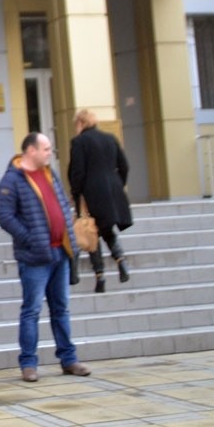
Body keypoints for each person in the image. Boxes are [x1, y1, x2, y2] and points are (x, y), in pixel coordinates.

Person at [0, 132, 90, 383]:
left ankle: (69, 359)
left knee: (61, 309)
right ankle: (28, 364)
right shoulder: (12, 179)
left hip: (60, 252)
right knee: (32, 310)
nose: (50, 152)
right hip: (34, 257)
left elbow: (61, 206)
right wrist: (30, 238)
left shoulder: (50, 174)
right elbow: (5, 216)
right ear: (31, 150)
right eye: (46, 148)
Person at [67, 108, 133, 293]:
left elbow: (77, 172)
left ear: (81, 123)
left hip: (91, 193)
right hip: (113, 193)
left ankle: (100, 277)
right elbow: (124, 166)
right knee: (105, 229)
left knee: (90, 233)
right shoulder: (110, 138)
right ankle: (121, 260)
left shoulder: (79, 142)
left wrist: (75, 194)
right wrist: (118, 185)